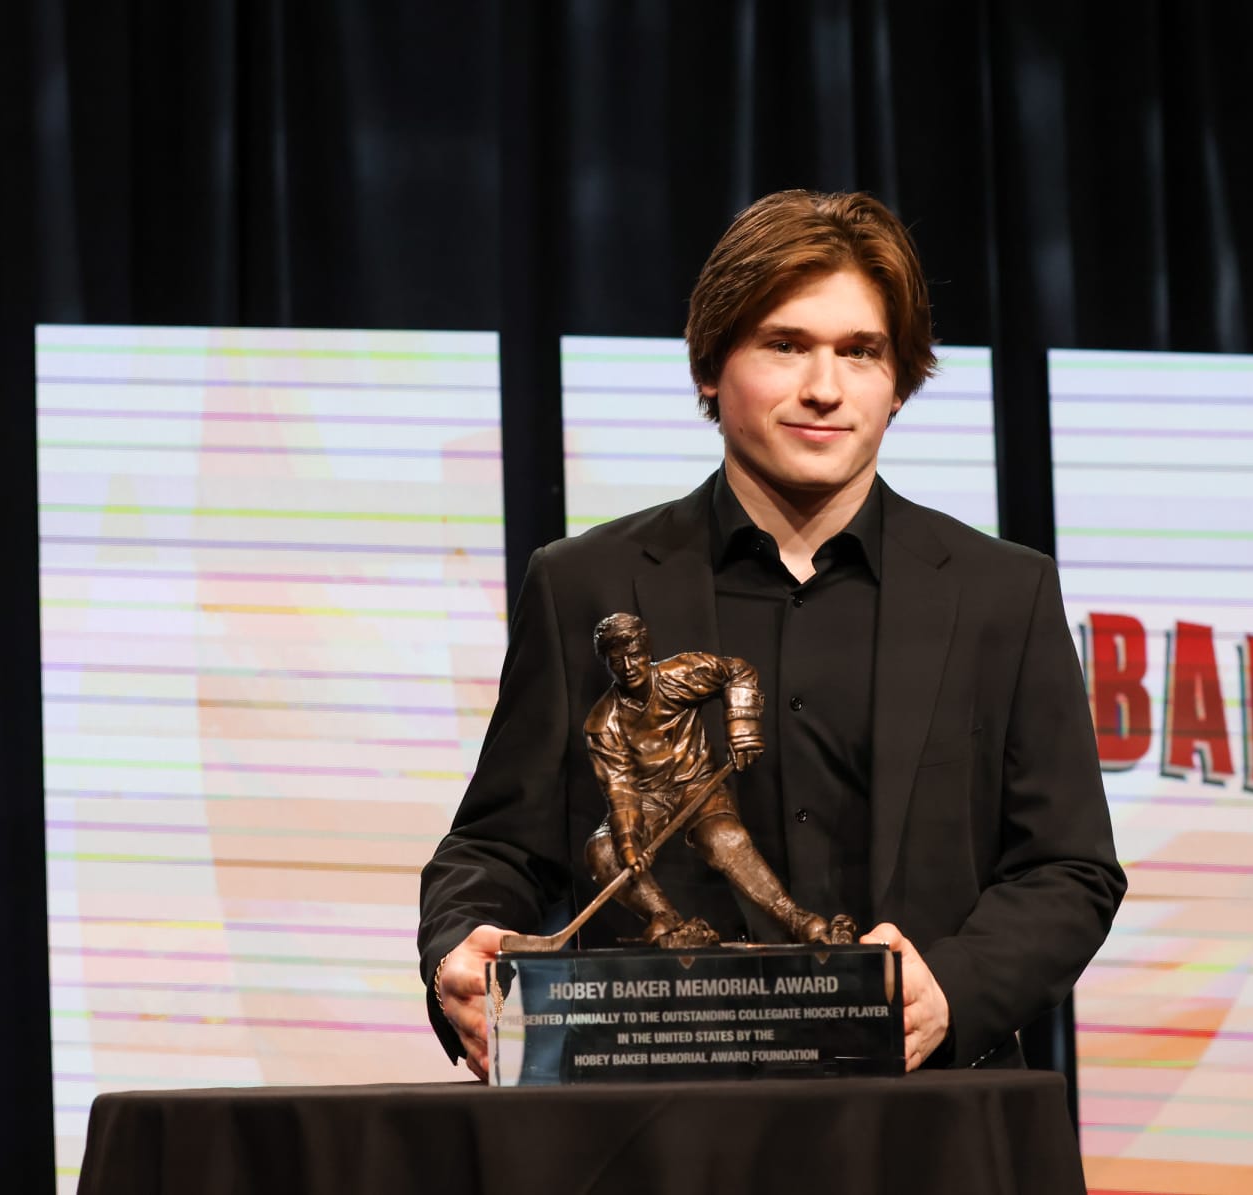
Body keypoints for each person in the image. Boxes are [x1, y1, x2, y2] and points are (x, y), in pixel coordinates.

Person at [419, 189, 1125, 1077]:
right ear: (711, 367)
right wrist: (459, 941)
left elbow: (1068, 867)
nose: (824, 387)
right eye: (786, 345)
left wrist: (952, 986)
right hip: (655, 1124)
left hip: (927, 1126)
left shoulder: (1002, 593)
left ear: (900, 382)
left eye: (860, 352)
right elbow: (497, 847)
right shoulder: (581, 585)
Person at [581, 611, 856, 948]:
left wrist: (743, 727)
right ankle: (664, 917)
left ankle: (795, 918)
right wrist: (627, 842)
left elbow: (737, 672)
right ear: (607, 663)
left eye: (635, 654)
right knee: (604, 852)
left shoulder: (679, 674)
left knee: (724, 839)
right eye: (617, 659)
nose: (628, 666)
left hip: (698, 784)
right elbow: (620, 787)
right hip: (646, 798)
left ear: (647, 651)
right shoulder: (602, 721)